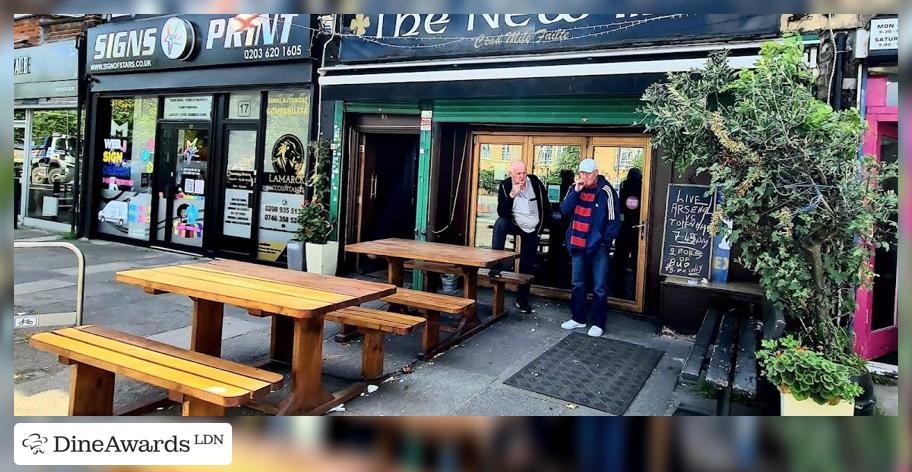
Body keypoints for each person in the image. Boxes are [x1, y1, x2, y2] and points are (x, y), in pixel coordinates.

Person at [558, 158, 621, 337]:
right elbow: (564, 210)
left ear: (596, 172)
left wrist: (604, 242)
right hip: (578, 243)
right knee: (578, 283)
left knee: (599, 286)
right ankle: (578, 318)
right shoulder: (574, 188)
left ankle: (599, 323)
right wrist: (576, 192)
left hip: (597, 246)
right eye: (582, 173)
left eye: (588, 174)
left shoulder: (606, 190)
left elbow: (613, 220)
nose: (585, 177)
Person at [491, 160, 548, 314]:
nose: (522, 176)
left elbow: (545, 206)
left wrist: (539, 229)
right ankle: (495, 265)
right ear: (511, 174)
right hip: (516, 224)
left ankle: (522, 301)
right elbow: (502, 212)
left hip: (532, 228)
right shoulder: (505, 185)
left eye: (524, 173)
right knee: (500, 223)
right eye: (518, 174)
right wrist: (512, 195)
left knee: (526, 265)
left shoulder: (535, 182)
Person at [612, 167, 643, 299]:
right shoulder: (643, 186)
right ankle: (637, 291)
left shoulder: (624, 185)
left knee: (620, 260)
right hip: (637, 228)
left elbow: (619, 206)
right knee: (637, 261)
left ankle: (617, 289)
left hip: (624, 228)